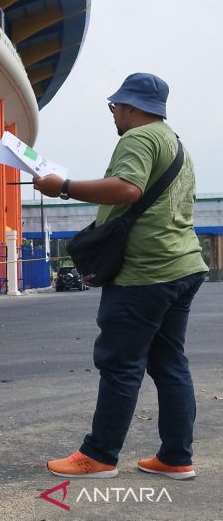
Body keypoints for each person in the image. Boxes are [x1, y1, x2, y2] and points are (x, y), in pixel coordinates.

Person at [36, 73, 208, 480]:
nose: (113, 114)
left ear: (130, 107)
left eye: (115, 107)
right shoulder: (174, 142)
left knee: (120, 364)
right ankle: (175, 457)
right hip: (181, 266)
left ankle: (99, 456)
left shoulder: (137, 138)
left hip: (144, 273)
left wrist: (63, 187)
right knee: (169, 364)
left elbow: (127, 188)